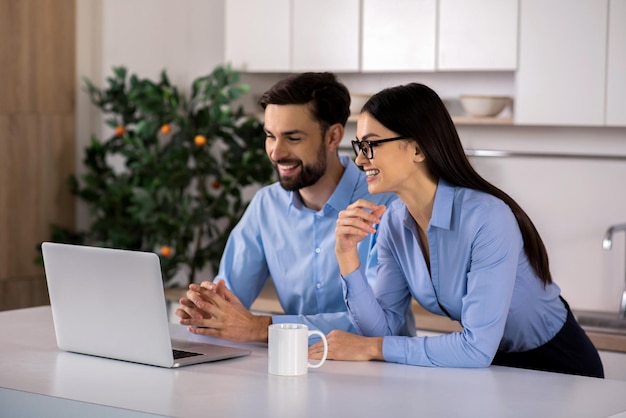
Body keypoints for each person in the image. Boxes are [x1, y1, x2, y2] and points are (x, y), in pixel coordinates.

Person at [309, 83, 604, 378]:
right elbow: (385, 327)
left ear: (417, 148)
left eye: (371, 144)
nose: (361, 159)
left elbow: (475, 348)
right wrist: (347, 256)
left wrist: (372, 348)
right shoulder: (394, 225)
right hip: (496, 367)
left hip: (561, 365)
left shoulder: (487, 218)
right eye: (360, 146)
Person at [175, 72, 414, 343]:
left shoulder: (387, 205)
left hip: (381, 374)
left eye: (293, 138)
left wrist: (263, 328)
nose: (276, 152)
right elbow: (230, 295)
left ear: (333, 137)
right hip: (295, 367)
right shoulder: (267, 205)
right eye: (270, 136)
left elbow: (380, 324)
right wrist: (206, 308)